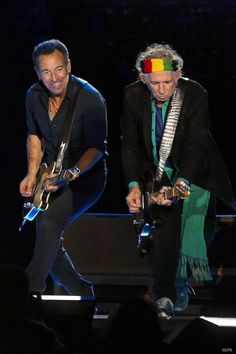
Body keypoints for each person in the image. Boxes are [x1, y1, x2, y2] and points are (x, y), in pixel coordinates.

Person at [121, 43, 236, 318]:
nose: (162, 89)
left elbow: (195, 145)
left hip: (196, 173)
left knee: (198, 233)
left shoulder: (194, 94)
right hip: (159, 174)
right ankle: (165, 296)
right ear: (143, 78)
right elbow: (129, 145)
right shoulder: (132, 95)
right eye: (155, 83)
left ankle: (180, 279)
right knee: (165, 230)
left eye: (168, 82)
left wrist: (181, 184)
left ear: (179, 74)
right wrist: (133, 185)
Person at [19, 38, 108, 298]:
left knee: (48, 221)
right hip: (50, 176)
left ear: (68, 66)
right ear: (38, 73)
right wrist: (32, 174)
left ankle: (28, 288)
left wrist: (70, 175)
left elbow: (97, 148)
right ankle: (81, 289)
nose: (53, 77)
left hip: (86, 179)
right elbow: (34, 135)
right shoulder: (33, 95)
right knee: (47, 232)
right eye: (46, 71)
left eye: (58, 69)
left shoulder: (90, 98)